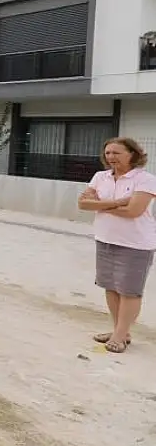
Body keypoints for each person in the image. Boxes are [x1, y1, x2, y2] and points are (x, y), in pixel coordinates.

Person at [78, 137, 156, 354]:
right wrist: (120, 202)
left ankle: (120, 336)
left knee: (129, 291)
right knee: (110, 286)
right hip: (105, 239)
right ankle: (120, 331)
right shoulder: (100, 176)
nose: (111, 157)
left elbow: (134, 212)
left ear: (132, 154)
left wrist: (100, 206)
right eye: (108, 153)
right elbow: (83, 203)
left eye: (117, 153)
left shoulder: (145, 179)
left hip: (136, 244)